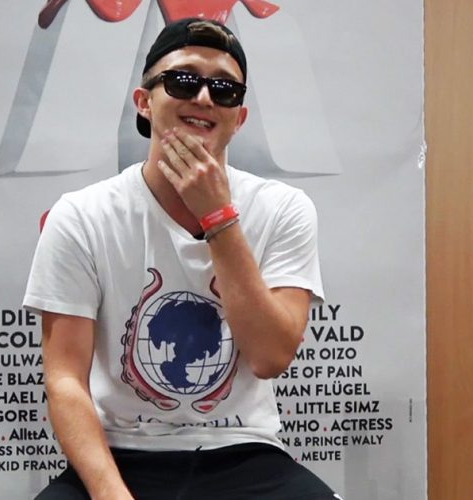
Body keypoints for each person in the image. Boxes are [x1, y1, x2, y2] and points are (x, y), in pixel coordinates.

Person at [23, 17, 339, 500]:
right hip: (122, 451)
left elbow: (270, 356)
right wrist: (111, 495)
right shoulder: (81, 215)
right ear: (144, 102)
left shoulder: (283, 209)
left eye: (224, 89)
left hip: (243, 450)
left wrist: (218, 217)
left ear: (239, 118)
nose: (205, 97)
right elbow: (65, 379)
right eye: (183, 81)